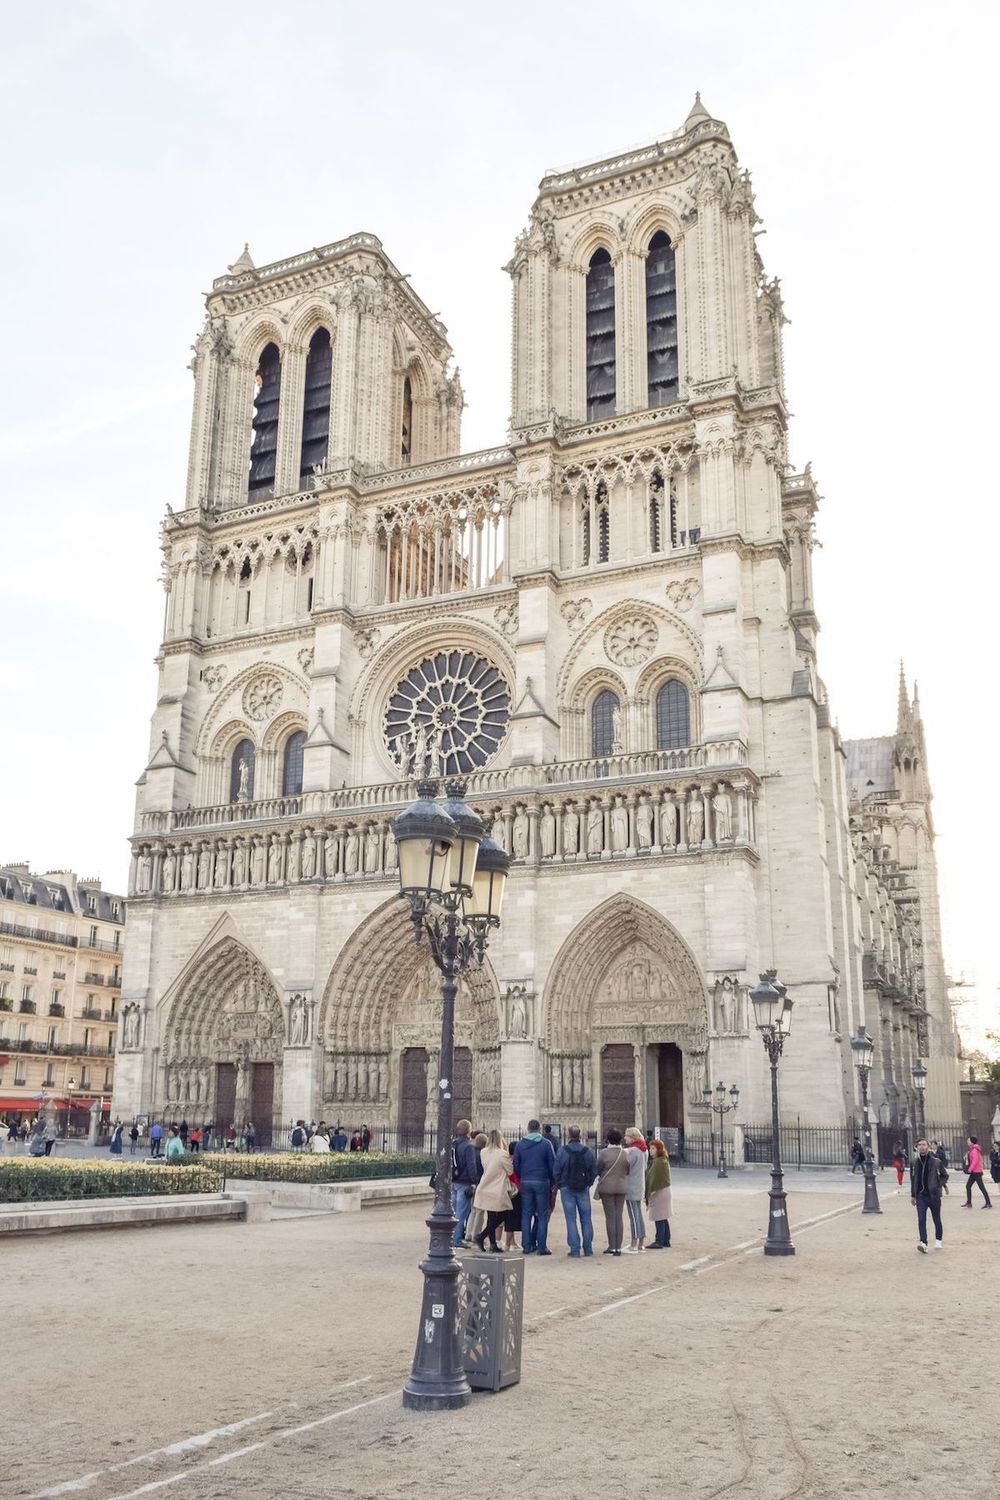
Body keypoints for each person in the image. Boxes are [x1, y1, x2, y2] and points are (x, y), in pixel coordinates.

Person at [513, 1119, 556, 1255]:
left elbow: (516, 1165)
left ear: (527, 1128)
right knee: (542, 1215)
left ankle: (526, 1246)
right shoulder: (546, 1144)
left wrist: (523, 1176)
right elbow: (552, 1164)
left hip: (526, 1181)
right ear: (539, 1129)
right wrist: (551, 1180)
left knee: (526, 1214)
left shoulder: (520, 1145)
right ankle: (541, 1247)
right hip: (542, 1181)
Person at [553, 1126, 597, 1257]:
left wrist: (560, 1184)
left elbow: (556, 1171)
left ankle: (575, 1249)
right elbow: (594, 1170)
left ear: (568, 1134)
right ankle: (588, 1249)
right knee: (586, 1219)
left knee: (571, 1219)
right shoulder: (587, 1151)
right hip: (583, 1188)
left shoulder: (562, 1151)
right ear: (580, 1134)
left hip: (567, 1187)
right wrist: (588, 1183)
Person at [472, 1130, 514, 1252]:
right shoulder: (502, 1154)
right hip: (497, 1189)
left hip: (485, 1186)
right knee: (504, 1214)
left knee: (491, 1217)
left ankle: (492, 1244)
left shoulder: (483, 1152)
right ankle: (482, 1237)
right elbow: (510, 1170)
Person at [594, 1128, 630, 1255]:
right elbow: (628, 1170)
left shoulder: (604, 1153)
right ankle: (618, 1247)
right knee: (618, 1217)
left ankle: (612, 1246)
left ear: (608, 1139)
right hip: (621, 1188)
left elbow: (597, 1169)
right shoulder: (625, 1153)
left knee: (610, 1217)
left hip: (607, 1188)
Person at [910, 1137, 946, 1251]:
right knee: (921, 1219)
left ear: (928, 1146)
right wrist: (913, 1195)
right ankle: (923, 1243)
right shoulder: (914, 1162)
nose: (921, 1146)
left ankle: (938, 1240)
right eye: (919, 1145)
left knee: (936, 1219)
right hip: (921, 1196)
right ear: (917, 1147)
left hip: (934, 1196)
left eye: (924, 1144)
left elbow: (945, 1175)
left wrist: (938, 1185)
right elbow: (913, 1179)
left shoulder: (936, 1161)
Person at [450, 1119, 482, 1247]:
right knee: (461, 1213)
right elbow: (471, 1166)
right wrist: (475, 1182)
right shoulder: (469, 1146)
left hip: (453, 1181)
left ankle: (450, 1236)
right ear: (469, 1131)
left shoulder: (453, 1143)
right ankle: (457, 1239)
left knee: (452, 1211)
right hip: (464, 1182)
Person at [622, 1127, 648, 1252]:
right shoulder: (644, 1150)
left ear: (632, 1137)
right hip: (640, 1184)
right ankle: (641, 1242)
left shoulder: (632, 1151)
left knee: (633, 1215)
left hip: (631, 1186)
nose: (624, 1138)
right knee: (639, 1214)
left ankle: (634, 1242)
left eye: (626, 1136)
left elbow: (626, 1167)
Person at [645, 1138, 673, 1247]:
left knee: (659, 1217)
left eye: (653, 1148)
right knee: (663, 1216)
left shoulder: (659, 1162)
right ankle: (666, 1239)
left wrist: (649, 1191)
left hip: (659, 1191)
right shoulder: (661, 1160)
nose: (650, 1150)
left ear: (658, 1149)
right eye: (650, 1148)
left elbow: (653, 1179)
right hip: (663, 1191)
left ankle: (659, 1240)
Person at [466, 1133, 490, 1246]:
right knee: (480, 1211)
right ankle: (476, 1235)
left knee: (473, 1211)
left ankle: (468, 1234)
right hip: (481, 1184)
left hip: (473, 1184)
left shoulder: (472, 1152)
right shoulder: (483, 1154)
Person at [961, 1135, 992, 1209]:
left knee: (981, 1187)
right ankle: (969, 1202)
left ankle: (988, 1203)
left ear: (972, 1142)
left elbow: (975, 1160)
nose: (967, 1141)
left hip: (976, 1171)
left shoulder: (974, 1150)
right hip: (975, 1171)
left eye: (968, 1140)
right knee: (968, 1186)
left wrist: (970, 1169)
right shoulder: (972, 1149)